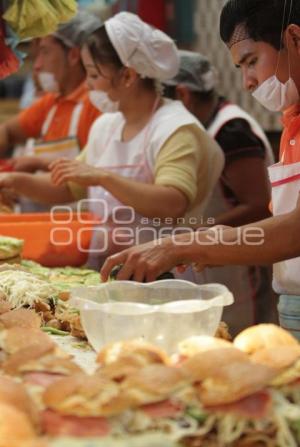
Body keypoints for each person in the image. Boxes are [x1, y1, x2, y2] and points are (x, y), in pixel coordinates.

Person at [100, 0, 300, 338]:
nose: (248, 82)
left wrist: (184, 245)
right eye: (239, 68)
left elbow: (294, 231)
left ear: (294, 38)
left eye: (251, 61)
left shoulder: (224, 129)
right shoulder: (291, 124)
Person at [0, 12, 224, 270]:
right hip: (106, 269)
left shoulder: (174, 129)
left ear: (128, 77)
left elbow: (172, 202)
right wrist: (14, 181)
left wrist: (102, 177)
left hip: (165, 277)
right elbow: (67, 187)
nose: (89, 85)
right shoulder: (106, 126)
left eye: (94, 75)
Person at [164, 50, 276, 332]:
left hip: (240, 271)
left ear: (182, 95)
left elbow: (259, 205)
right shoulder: (202, 128)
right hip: (213, 261)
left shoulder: (231, 131)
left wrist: (196, 236)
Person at [0, 10, 101, 173]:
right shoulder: (53, 101)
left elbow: (95, 171)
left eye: (45, 52)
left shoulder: (97, 103)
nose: (37, 65)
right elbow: (7, 131)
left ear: (74, 55)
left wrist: (37, 164)